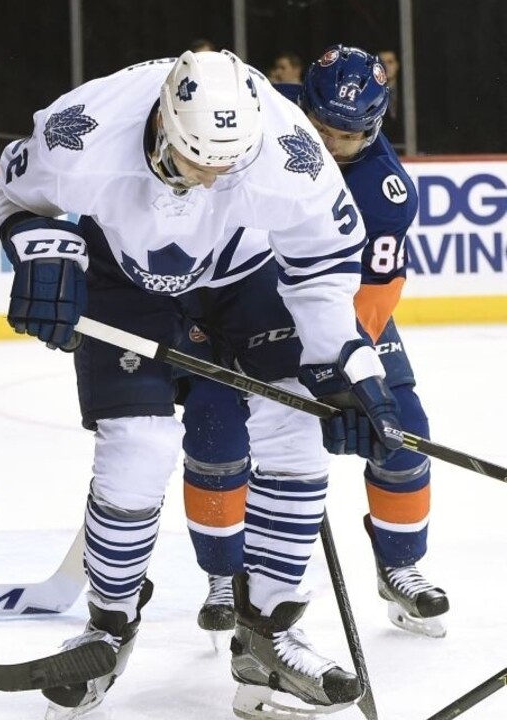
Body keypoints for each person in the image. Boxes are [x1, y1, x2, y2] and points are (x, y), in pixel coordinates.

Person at [0, 49, 403, 719]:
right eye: (195, 163)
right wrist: (44, 251)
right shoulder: (83, 131)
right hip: (122, 276)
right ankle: (109, 626)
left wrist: (347, 368)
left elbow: (325, 267)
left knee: (297, 427)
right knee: (139, 448)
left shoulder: (289, 152)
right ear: (161, 122)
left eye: (227, 167)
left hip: (244, 272)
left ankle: (271, 632)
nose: (211, 180)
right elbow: (15, 192)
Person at [184, 45, 446, 641]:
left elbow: (374, 299)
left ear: (375, 127)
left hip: (342, 317)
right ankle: (225, 575)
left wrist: (335, 369)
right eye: (319, 127)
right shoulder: (260, 120)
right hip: (236, 307)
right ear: (301, 103)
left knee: (403, 428)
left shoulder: (386, 191)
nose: (328, 146)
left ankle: (400, 562)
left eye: (347, 137)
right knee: (214, 430)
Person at [377, 49, 404, 145]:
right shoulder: (370, 95)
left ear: (397, 65)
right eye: (382, 63)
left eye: (390, 62)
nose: (386, 66)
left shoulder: (410, 94)